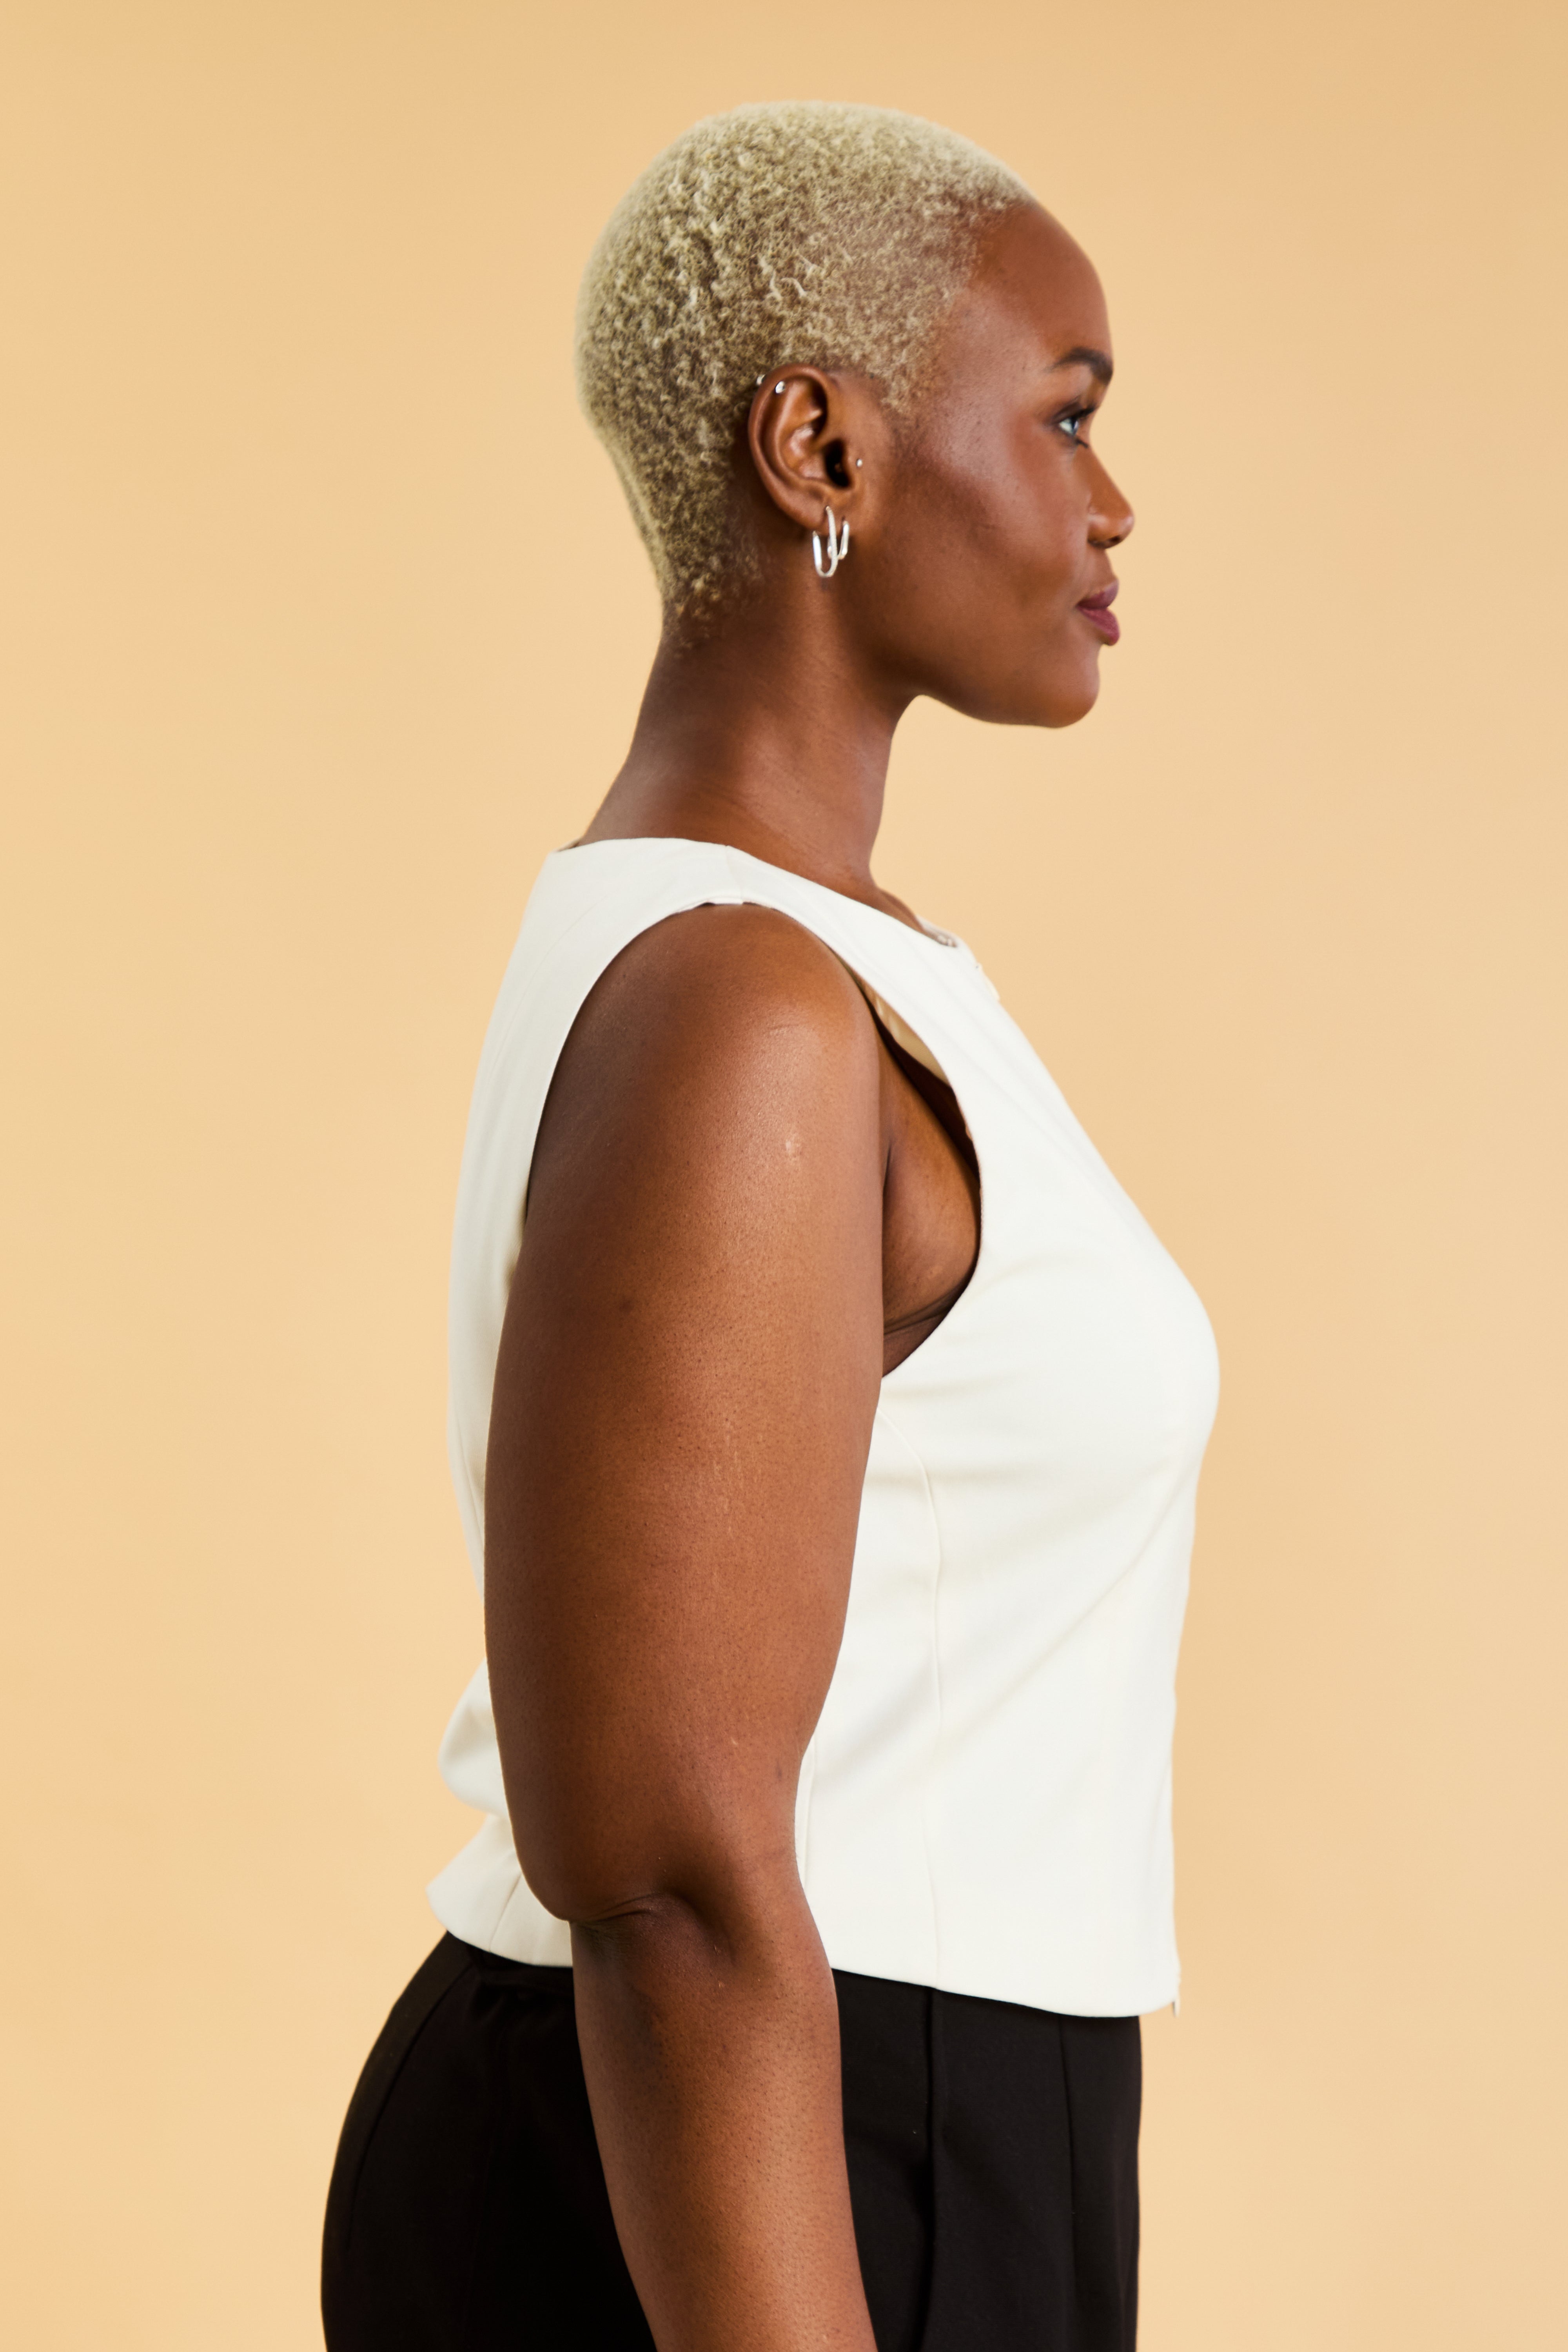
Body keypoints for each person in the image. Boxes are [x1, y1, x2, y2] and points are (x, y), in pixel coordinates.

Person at [322, 100, 1218, 2352]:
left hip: (874, 2128)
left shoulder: (815, 965)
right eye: (1070, 415)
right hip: (765, 2165)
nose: (1114, 501)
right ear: (820, 446)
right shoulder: (741, 998)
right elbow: (674, 1880)